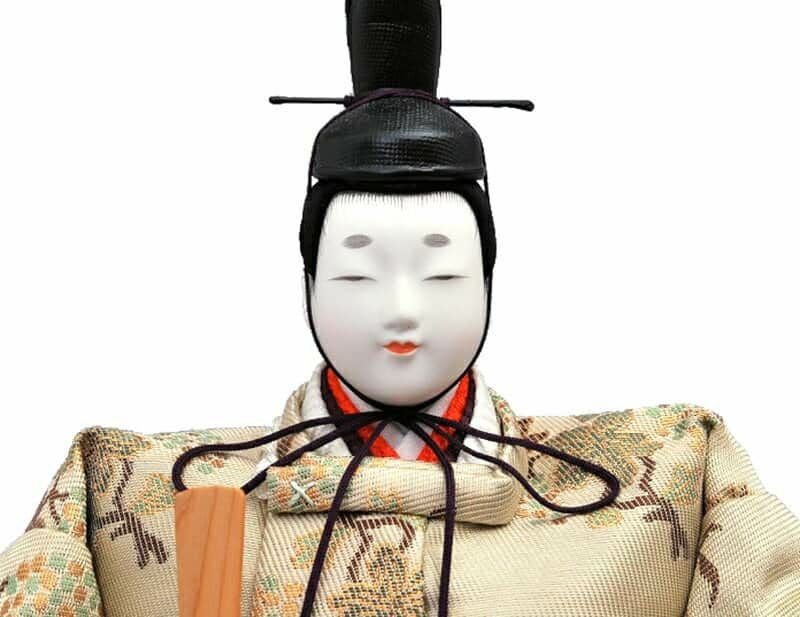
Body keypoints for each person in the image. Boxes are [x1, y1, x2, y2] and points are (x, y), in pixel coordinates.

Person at [2, 1, 799, 616]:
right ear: (309, 279)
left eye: (442, 273)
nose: (402, 310)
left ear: (489, 275)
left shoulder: (663, 475)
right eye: (358, 275)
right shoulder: (132, 487)